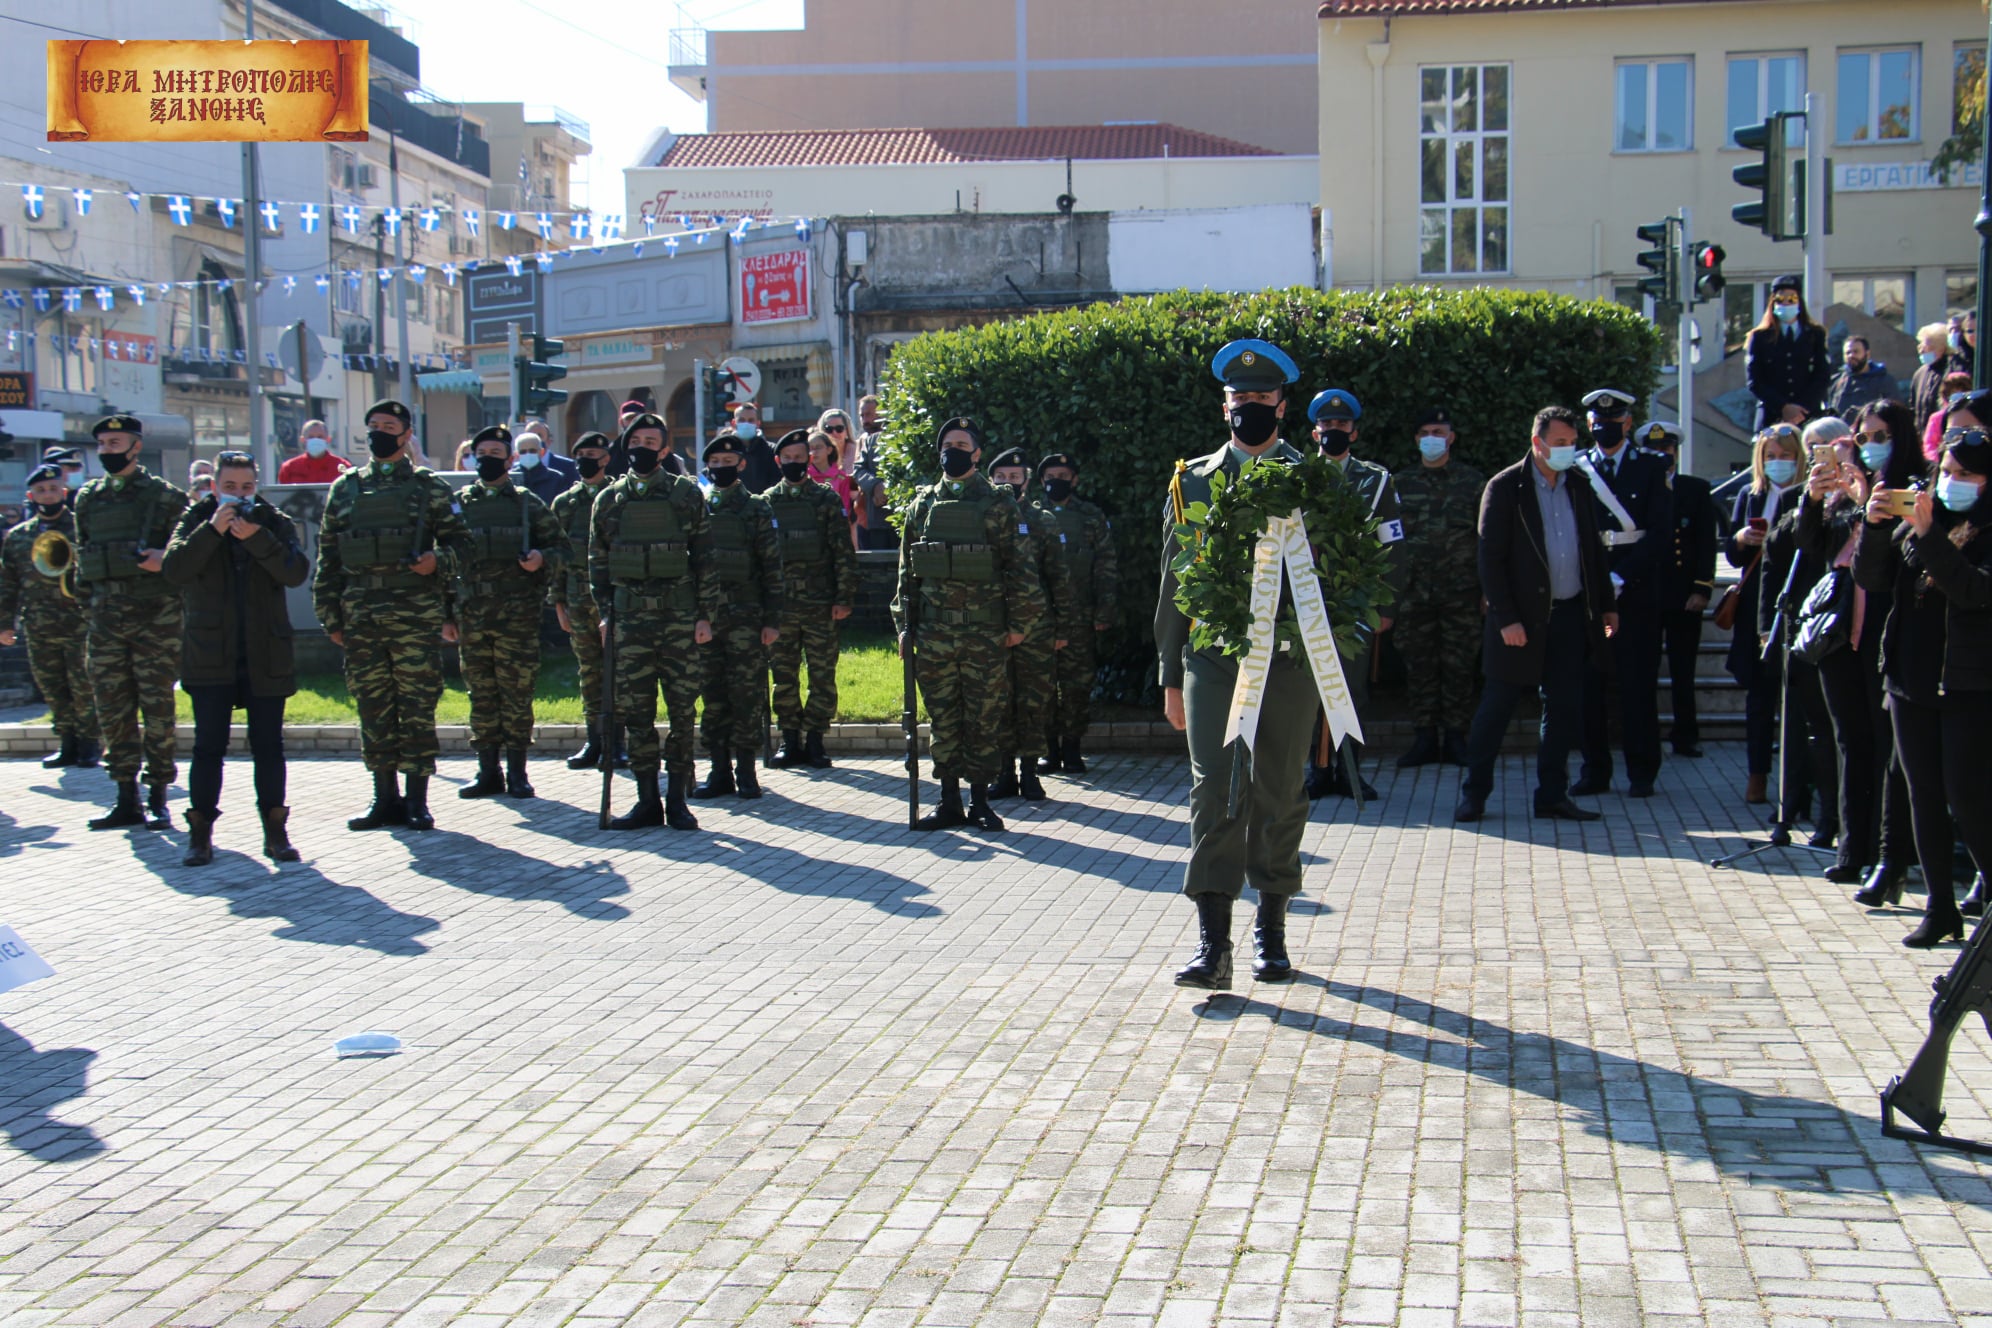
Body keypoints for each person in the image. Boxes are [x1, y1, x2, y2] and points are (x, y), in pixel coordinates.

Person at [1155, 339, 1318, 988]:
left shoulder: (1313, 480)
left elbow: (1335, 585)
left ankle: (1270, 933)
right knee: (1214, 790)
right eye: (1239, 399)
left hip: (1289, 661)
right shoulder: (1192, 480)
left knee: (1278, 790)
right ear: (1225, 407)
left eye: (1261, 399)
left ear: (1283, 405)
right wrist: (1170, 675)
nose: (1250, 407)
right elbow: (1173, 581)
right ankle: (1212, 944)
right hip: (1215, 659)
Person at [1854, 424, 1992, 947]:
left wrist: (1930, 533)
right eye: (1948, 472)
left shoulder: (1965, 528)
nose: (1954, 482)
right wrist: (1872, 525)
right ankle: (1940, 907)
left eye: (1968, 475)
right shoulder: (1921, 521)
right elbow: (1873, 577)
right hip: (1911, 676)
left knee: (1968, 794)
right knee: (1923, 795)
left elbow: (1973, 590)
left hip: (1968, 683)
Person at [313, 399, 474, 833]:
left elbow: (464, 546)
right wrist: (331, 617)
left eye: (389, 426)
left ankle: (417, 799)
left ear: (406, 436)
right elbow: (328, 557)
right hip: (362, 615)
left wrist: (436, 560)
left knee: (417, 706)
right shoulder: (344, 488)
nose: (379, 432)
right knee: (373, 706)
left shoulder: (429, 488)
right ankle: (383, 797)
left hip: (413, 616)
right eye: (373, 425)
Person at [1453, 406, 1618, 825]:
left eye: (1571, 443)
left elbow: (1593, 552)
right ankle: (1474, 794)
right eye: (1559, 443)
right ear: (1537, 442)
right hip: (1518, 620)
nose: (1567, 450)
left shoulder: (1579, 485)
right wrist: (1506, 617)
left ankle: (1552, 795)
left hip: (1569, 616)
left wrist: (1606, 607)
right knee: (1497, 707)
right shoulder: (1507, 487)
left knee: (1563, 709)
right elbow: (1490, 558)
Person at [160, 451, 311, 866]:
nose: (239, 496)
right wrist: (212, 531)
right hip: (211, 652)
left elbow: (296, 571)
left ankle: (276, 833)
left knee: (268, 746)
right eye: (230, 488)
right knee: (208, 746)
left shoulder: (273, 521)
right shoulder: (196, 519)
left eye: (246, 488)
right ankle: (201, 834)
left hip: (265, 650)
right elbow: (173, 570)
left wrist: (256, 538)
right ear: (214, 486)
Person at [894, 417, 1044, 834]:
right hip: (935, 634)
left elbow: (1021, 568)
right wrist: (904, 627)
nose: (953, 449)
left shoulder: (999, 504)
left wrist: (1019, 624)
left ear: (977, 453)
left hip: (984, 633)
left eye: (961, 443)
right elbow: (907, 575)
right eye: (947, 443)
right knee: (943, 719)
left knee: (982, 718)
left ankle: (980, 800)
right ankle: (948, 801)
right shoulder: (922, 505)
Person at [1801, 401, 1920, 893]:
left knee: (1886, 744)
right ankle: (1852, 850)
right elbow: (1809, 546)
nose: (1871, 446)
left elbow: (1903, 550)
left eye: (1881, 435)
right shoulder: (1843, 491)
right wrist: (1813, 499)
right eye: (1864, 437)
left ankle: (1889, 855)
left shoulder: (1915, 485)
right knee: (1849, 739)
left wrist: (1871, 500)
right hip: (1839, 631)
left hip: (1886, 629)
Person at [590, 411, 716, 831]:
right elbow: (597, 565)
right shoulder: (608, 500)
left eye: (651, 441)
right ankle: (647, 799)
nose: (642, 447)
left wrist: (705, 616)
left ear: (664, 450)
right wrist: (606, 615)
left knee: (682, 712)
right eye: (636, 440)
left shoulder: (684, 495)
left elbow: (705, 558)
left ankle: (677, 799)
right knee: (636, 714)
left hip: (678, 620)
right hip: (629, 623)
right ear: (625, 446)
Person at [73, 414, 190, 831]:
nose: (108, 450)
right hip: (105, 619)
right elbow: (81, 554)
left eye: (115, 443)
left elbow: (191, 556)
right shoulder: (87, 498)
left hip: (154, 617)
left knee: (156, 707)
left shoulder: (165, 498)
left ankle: (159, 794)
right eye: (102, 444)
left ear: (136, 447)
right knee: (112, 708)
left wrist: (166, 562)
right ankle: (125, 796)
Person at [453, 424, 567, 801]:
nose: (487, 460)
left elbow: (561, 549)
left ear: (509, 459)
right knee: (481, 694)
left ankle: (518, 772)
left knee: (517, 694)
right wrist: (445, 614)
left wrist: (541, 558)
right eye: (480, 453)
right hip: (472, 616)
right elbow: (441, 559)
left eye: (495, 454)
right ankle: (488, 771)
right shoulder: (460, 505)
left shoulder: (526, 503)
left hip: (516, 617)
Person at [1302, 388, 1405, 800]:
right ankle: (1317, 769)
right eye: (1326, 426)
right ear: (1315, 433)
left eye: (1341, 425)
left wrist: (1386, 604)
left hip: (1357, 601)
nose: (1333, 431)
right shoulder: (1298, 477)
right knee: (1311, 688)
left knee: (1351, 689)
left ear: (1354, 432)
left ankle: (1349, 770)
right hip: (1309, 601)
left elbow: (1393, 545)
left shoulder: (1376, 482)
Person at [1572, 387, 1673, 798]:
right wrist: (1598, 578)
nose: (1605, 429)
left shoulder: (1652, 465)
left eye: (1613, 423)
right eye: (1598, 424)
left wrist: (1623, 576)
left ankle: (1642, 771)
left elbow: (1661, 532)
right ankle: (1595, 770)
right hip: (1590, 589)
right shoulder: (1578, 469)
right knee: (1588, 685)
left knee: (1637, 684)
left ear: (1628, 423)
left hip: (1638, 589)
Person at [1753, 418, 1846, 846]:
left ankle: (1833, 815)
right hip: (1801, 627)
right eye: (1815, 449)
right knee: (1796, 727)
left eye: (1830, 447)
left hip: (1842, 627)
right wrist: (1764, 628)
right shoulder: (1796, 499)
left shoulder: (1854, 502)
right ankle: (1791, 807)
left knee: (1833, 732)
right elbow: (1775, 563)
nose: (1822, 456)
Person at [1390, 407, 1485, 769]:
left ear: (1451, 437)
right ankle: (1425, 738)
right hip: (1414, 594)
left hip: (1462, 593)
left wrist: (1488, 591)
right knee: (1420, 667)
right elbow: (1388, 540)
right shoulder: (1400, 484)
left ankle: (1457, 738)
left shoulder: (1473, 483)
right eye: (1427, 431)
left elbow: (1486, 539)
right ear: (1417, 439)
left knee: (1460, 665)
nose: (1434, 437)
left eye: (1440, 431)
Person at [691, 431, 782, 801]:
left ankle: (746, 772)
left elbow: (771, 566)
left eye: (729, 463)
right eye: (715, 464)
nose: (722, 469)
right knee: (712, 696)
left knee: (745, 695)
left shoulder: (757, 508)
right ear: (707, 467)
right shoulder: (698, 506)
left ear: (741, 465)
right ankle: (719, 771)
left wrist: (772, 619)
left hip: (747, 616)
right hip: (708, 619)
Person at [765, 428, 859, 769]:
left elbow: (842, 552)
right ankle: (789, 740)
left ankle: (816, 739)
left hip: (820, 604)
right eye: (787, 458)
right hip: (781, 608)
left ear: (809, 459)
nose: (794, 463)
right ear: (778, 461)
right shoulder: (766, 503)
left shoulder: (825, 499)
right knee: (784, 675)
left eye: (799, 458)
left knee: (822, 675)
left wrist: (843, 597)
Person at [1724, 423, 1806, 804]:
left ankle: (1799, 784)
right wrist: (1742, 538)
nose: (1778, 463)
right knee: (1758, 698)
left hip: (1798, 604)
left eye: (1786, 455)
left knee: (1799, 702)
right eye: (1771, 456)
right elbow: (1732, 554)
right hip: (1756, 608)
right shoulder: (1749, 495)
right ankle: (1757, 775)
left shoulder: (1808, 494)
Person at [986, 446, 1071, 802]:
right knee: (999, 699)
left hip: (1037, 626)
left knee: (1034, 700)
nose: (1008, 483)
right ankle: (1004, 771)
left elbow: (1059, 578)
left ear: (1026, 482)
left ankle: (1031, 772)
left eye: (1015, 478)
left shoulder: (1042, 521)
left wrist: (1064, 628)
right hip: (994, 624)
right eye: (1001, 477)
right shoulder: (982, 518)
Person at [0, 464, 98, 768]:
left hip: (78, 622)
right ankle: (66, 743)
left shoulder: (83, 528)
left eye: (54, 489)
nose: (48, 494)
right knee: (52, 687)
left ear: (63, 492)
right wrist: (5, 623)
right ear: (31, 495)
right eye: (41, 490)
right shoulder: (18, 537)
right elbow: (8, 582)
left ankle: (89, 744)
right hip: (39, 625)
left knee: (82, 686)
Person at [1033, 451, 1118, 776]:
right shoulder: (1033, 515)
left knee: (1077, 684)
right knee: (1042, 684)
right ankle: (1049, 750)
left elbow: (1105, 563)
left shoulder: (1090, 517)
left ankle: (1072, 749)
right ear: (1042, 481)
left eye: (1063, 477)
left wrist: (1104, 609)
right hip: (1040, 617)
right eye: (1051, 477)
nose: (1057, 482)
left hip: (1080, 616)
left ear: (1075, 480)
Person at [1635, 422, 1717, 759]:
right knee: (1645, 670)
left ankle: (1686, 736)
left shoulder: (1694, 489)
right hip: (1648, 595)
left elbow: (1706, 543)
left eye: (1667, 450)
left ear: (1676, 453)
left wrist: (1702, 588)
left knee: (1684, 671)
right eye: (1655, 451)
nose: (1662, 457)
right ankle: (1644, 736)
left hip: (1684, 595)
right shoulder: (1638, 488)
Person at [550, 431, 616, 770]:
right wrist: (559, 604)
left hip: (615, 599)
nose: (585, 460)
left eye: (593, 453)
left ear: (606, 459)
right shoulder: (565, 504)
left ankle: (617, 742)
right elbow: (558, 558)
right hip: (578, 600)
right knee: (589, 671)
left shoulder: (619, 496)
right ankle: (595, 740)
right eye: (580, 454)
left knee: (617, 671)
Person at [1745, 276, 1831, 431]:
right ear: (1773, 302)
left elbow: (1822, 375)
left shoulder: (1815, 334)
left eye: (1791, 298)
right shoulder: (1760, 337)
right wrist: (1783, 407)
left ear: (1799, 302)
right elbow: (1754, 381)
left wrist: (1801, 407)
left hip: (1807, 413)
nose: (1786, 303)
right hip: (1772, 413)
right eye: (1780, 298)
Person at [852, 395, 898, 551]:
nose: (865, 420)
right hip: (877, 520)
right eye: (862, 415)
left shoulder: (901, 437)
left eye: (869, 414)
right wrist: (875, 485)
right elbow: (858, 470)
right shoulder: (870, 442)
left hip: (902, 518)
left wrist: (888, 487)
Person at [1825, 336, 1893, 420]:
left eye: (1856, 352)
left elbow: (1894, 414)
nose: (1851, 355)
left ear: (1867, 354)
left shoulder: (1884, 381)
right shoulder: (1837, 382)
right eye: (1847, 353)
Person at [511, 424, 574, 507]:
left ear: (542, 452)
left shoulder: (556, 478)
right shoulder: (510, 479)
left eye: (532, 451)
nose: (528, 454)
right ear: (516, 455)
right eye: (523, 452)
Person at [1911, 322, 1956, 439]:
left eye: (1927, 347)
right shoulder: (1920, 374)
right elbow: (1913, 408)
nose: (1921, 350)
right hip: (1922, 437)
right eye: (1920, 345)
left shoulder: (1952, 370)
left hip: (1944, 437)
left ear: (1942, 348)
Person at [808, 427, 857, 528]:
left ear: (829, 450)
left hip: (835, 528)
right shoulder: (804, 477)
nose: (813, 452)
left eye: (818, 447)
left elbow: (845, 508)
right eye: (810, 449)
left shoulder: (841, 477)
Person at [276, 419, 350, 484]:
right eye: (311, 437)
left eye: (320, 437)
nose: (315, 440)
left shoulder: (343, 467)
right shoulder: (289, 468)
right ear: (302, 440)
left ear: (328, 439)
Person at [729, 402, 781, 494]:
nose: (746, 424)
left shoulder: (771, 450)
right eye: (742, 420)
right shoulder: (725, 451)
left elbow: (777, 482)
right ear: (733, 423)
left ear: (758, 423)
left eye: (750, 420)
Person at [1925, 371, 1976, 461]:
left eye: (1962, 393)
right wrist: (1940, 459)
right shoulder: (1937, 418)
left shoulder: (1975, 416)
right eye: (1953, 395)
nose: (1958, 399)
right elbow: (1929, 445)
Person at [817, 407, 859, 475]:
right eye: (829, 429)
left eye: (839, 428)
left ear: (847, 430)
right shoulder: (817, 454)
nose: (834, 433)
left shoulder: (858, 451)